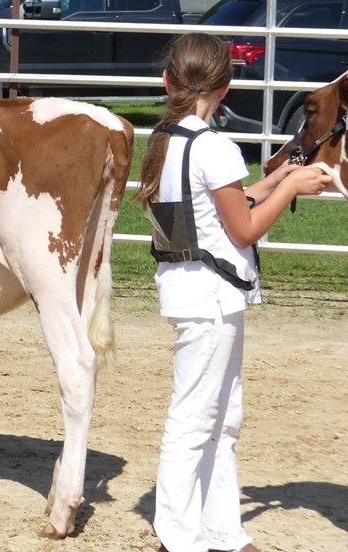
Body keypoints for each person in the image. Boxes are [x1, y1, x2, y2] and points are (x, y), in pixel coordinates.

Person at [134, 32, 331, 552]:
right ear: (226, 86)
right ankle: (178, 536)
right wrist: (292, 188)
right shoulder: (215, 147)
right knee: (196, 419)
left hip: (187, 288)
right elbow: (243, 230)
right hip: (211, 299)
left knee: (220, 418)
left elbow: (203, 216)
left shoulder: (165, 140)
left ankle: (221, 529)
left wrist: (276, 181)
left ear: (168, 81)